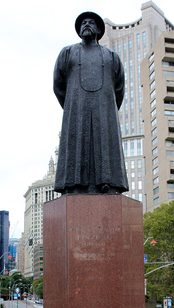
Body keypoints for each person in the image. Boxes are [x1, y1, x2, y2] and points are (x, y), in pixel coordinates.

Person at [53, 12, 129, 195]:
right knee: (76, 143)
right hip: (76, 109)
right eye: (83, 23)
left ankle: (108, 183)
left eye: (91, 22)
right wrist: (72, 105)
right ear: (79, 30)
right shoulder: (67, 53)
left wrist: (107, 108)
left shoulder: (112, 57)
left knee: (105, 143)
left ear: (99, 29)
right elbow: (58, 85)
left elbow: (119, 88)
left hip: (105, 110)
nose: (87, 25)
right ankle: (75, 185)